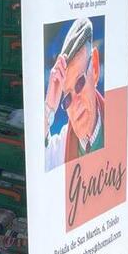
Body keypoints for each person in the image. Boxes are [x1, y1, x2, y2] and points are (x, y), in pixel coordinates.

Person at [44, 17, 105, 170]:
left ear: (95, 69)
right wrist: (49, 107)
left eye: (79, 83)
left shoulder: (117, 122)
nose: (75, 104)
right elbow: (38, 159)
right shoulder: (64, 143)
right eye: (67, 98)